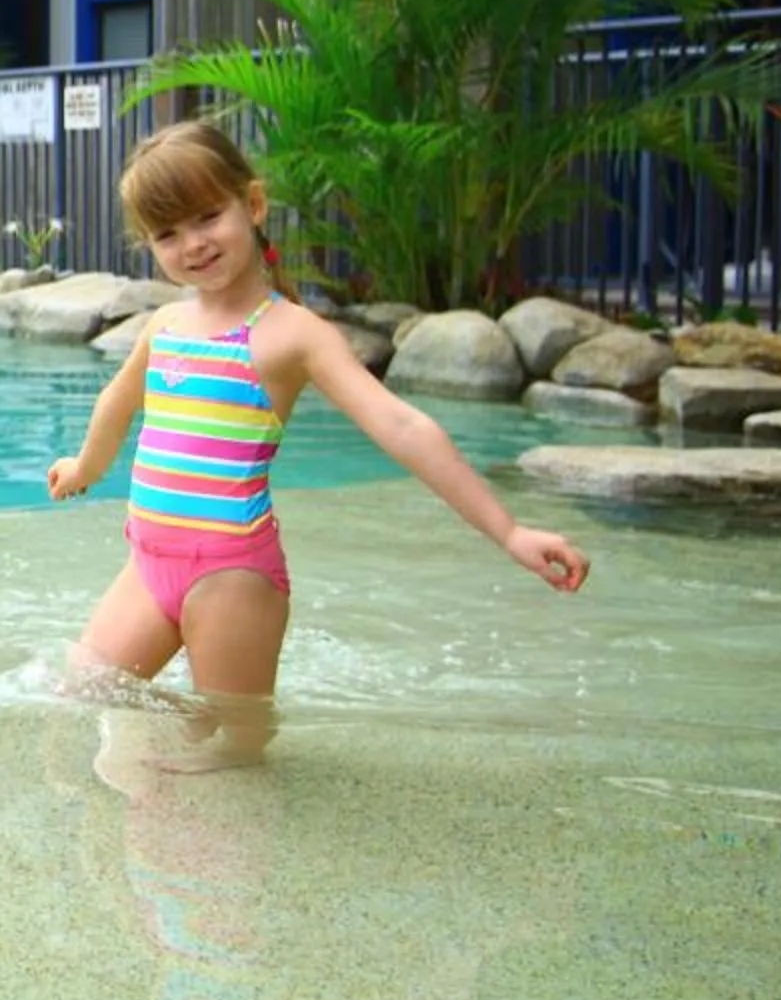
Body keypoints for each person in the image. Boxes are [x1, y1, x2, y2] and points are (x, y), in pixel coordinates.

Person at [44, 120, 588, 761]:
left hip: (231, 577)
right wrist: (84, 466)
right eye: (168, 233)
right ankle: (187, 742)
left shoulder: (290, 333)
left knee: (233, 752)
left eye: (207, 217)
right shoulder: (165, 325)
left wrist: (508, 531)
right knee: (83, 690)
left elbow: (400, 425)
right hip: (149, 562)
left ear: (252, 204)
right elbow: (118, 402)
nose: (192, 244)